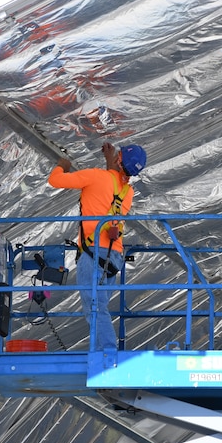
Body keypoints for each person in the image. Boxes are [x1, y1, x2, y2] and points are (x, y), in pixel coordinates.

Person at [48, 142, 147, 351]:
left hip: (94, 254)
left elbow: (55, 180)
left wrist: (62, 164)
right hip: (115, 256)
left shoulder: (95, 176)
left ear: (119, 159)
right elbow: (112, 184)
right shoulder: (127, 192)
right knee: (98, 306)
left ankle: (109, 351)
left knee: (94, 308)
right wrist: (110, 160)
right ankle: (103, 350)